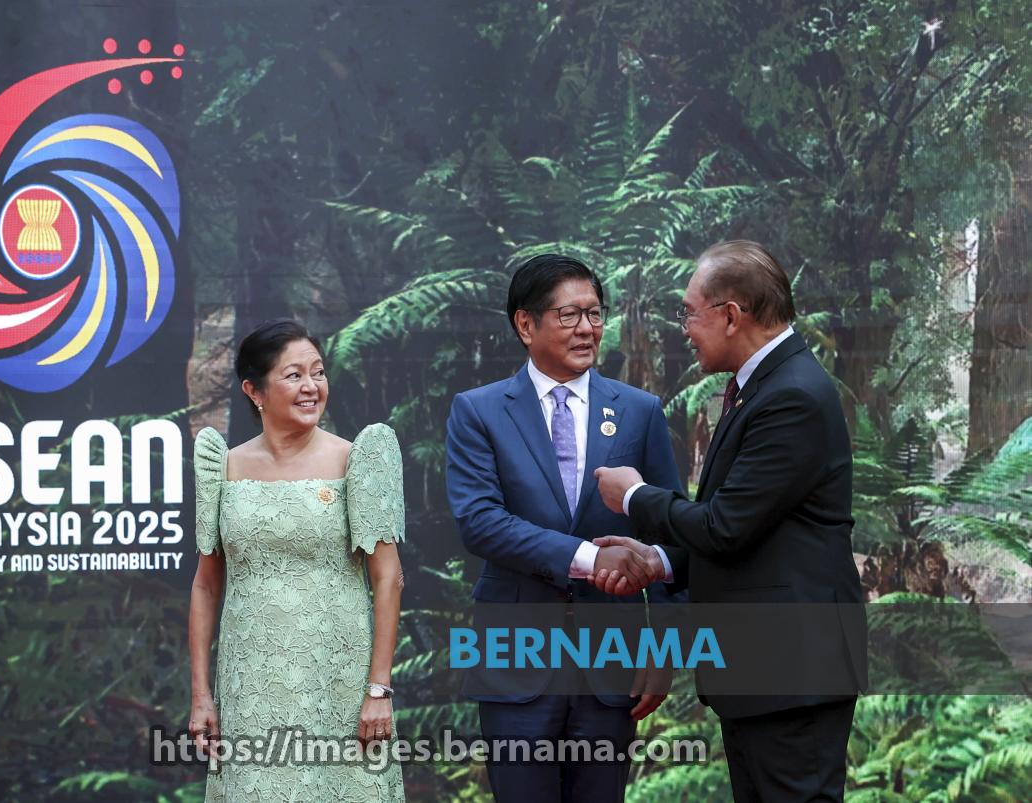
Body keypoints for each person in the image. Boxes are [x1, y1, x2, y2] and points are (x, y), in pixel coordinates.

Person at [591, 240, 868, 802]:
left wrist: (635, 495)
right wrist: (659, 561)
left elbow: (725, 526)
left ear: (731, 315)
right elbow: (748, 529)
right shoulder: (760, 387)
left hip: (793, 675)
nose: (685, 330)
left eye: (689, 313)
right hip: (765, 674)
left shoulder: (792, 396)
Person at [445, 253, 686, 802]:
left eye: (595, 314)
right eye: (569, 315)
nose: (586, 328)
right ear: (525, 325)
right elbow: (481, 523)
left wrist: (667, 648)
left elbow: (671, 535)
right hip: (515, 660)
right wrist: (590, 558)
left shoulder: (639, 410)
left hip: (612, 664)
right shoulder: (479, 411)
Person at [188, 319, 407, 802]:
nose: (311, 387)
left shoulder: (357, 459)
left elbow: (388, 578)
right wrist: (202, 695)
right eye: (293, 375)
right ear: (254, 391)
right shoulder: (223, 467)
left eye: (318, 372)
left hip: (339, 683)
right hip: (250, 686)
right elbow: (205, 585)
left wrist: (378, 690)